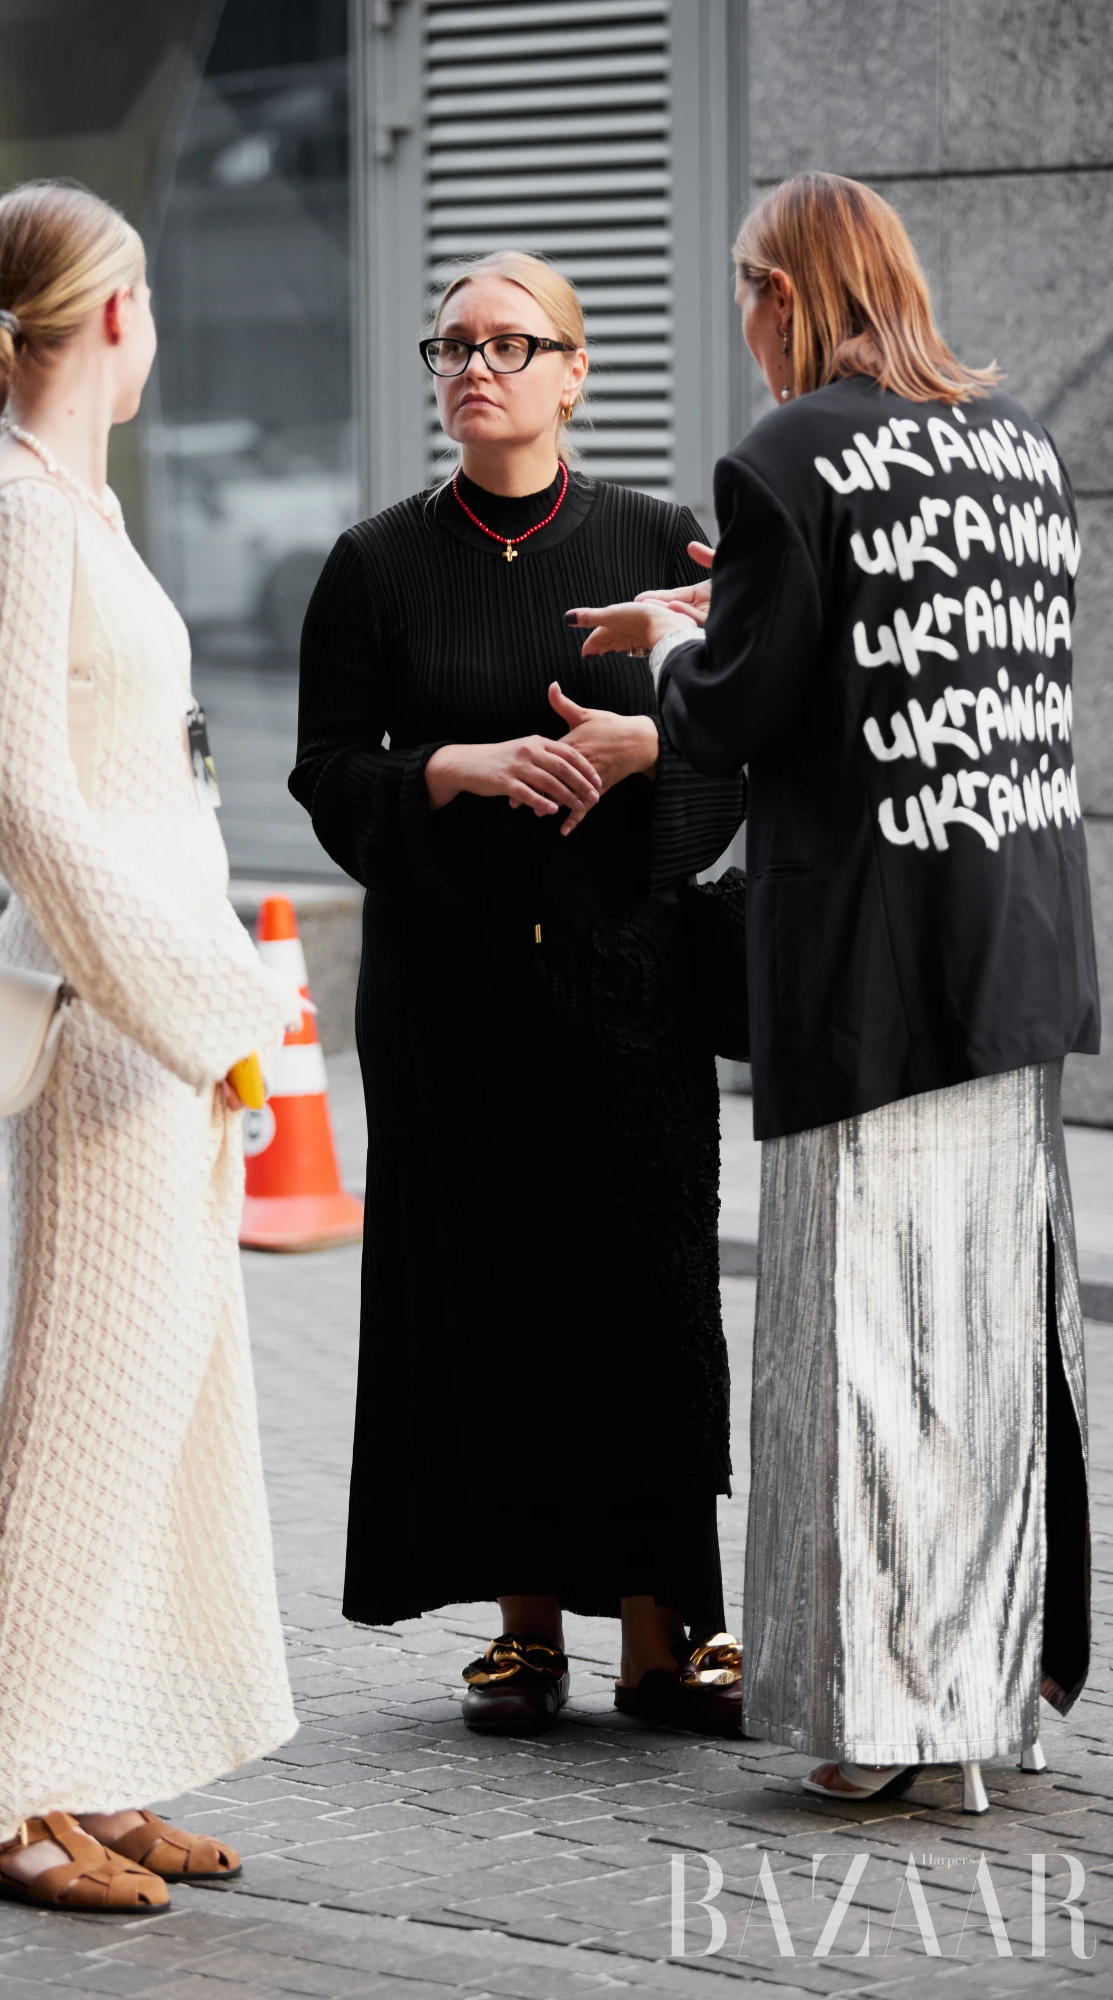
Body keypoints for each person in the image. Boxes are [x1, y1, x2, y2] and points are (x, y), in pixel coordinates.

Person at [569, 172, 1098, 1809]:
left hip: (862, 974)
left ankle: (879, 1724)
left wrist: (666, 645)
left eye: (747, 291)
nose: (745, 323)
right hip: (1007, 953)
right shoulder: (1016, 449)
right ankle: (976, 1717)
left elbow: (736, 710)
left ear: (787, 293)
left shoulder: (787, 454)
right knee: (990, 1351)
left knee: (866, 1355)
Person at [0, 181, 302, 1909]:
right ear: (113, 314)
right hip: (118, 1031)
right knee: (76, 1412)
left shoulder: (78, 506)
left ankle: (96, 1771)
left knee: (160, 1410)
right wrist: (199, 1007)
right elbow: (23, 808)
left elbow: (137, 781)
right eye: (151, 305)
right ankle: (7, 1803)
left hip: (165, 1030)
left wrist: (204, 1001)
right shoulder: (34, 520)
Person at [290, 250, 747, 1735]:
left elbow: (727, 745)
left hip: (626, 986)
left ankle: (665, 1634)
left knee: (642, 1296)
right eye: (452, 345)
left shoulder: (654, 539)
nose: (474, 366)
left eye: (509, 342)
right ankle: (525, 1629)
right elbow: (323, 767)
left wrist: (642, 754)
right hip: (451, 995)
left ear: (574, 370)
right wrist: (452, 766)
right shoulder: (377, 560)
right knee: (484, 1295)